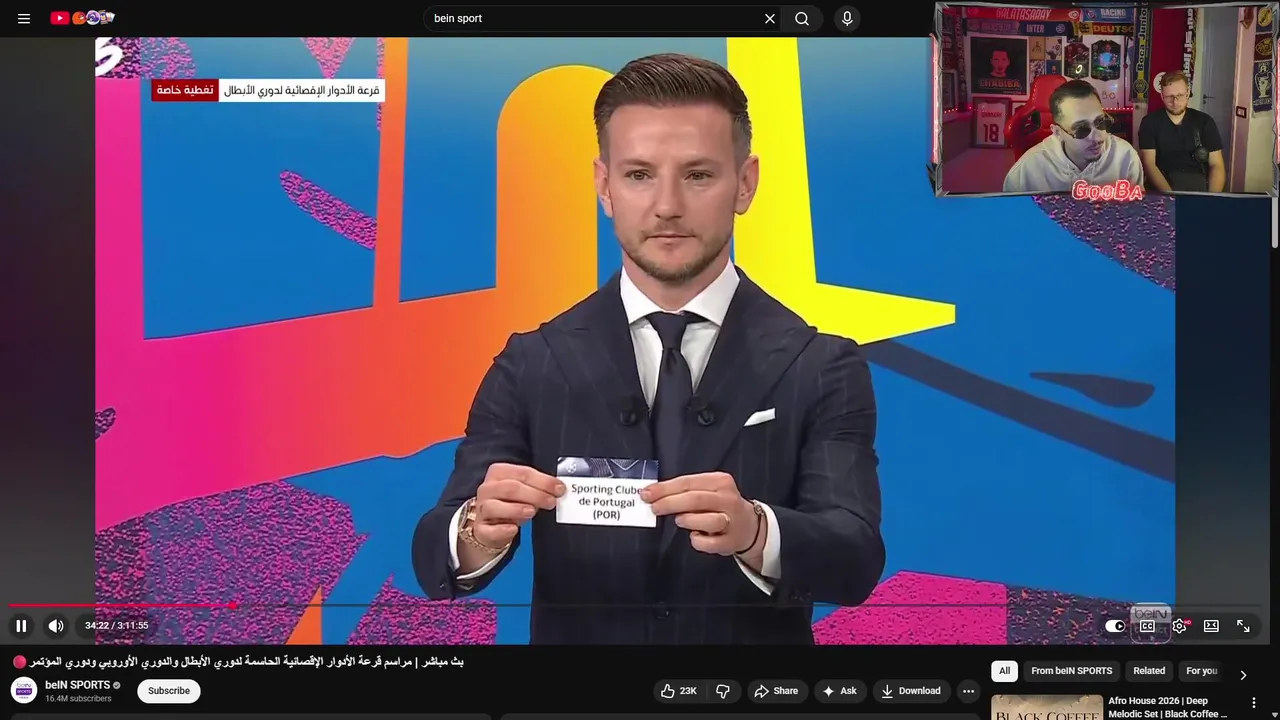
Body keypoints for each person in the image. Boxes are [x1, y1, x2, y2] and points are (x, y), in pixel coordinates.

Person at [412, 53, 885, 645]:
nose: (667, 206)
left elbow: (854, 558)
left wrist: (755, 530)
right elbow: (433, 552)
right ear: (604, 186)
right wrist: (477, 530)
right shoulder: (531, 363)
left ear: (745, 184)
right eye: (639, 175)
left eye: (698, 175)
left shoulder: (822, 366)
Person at [1004, 79, 1144, 193]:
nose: (1098, 138)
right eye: (1081, 130)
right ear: (1058, 132)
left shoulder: (1125, 157)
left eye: (1101, 122)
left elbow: (1136, 214)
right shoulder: (1025, 174)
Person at [1137, 71, 1226, 192]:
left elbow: (1216, 164)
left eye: (1180, 95)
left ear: (1188, 93)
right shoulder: (1149, 122)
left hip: (1198, 184)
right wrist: (1170, 196)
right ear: (1162, 96)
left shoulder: (1205, 121)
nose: (1175, 102)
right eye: (1169, 96)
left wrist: (1212, 198)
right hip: (1163, 186)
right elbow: (1149, 164)